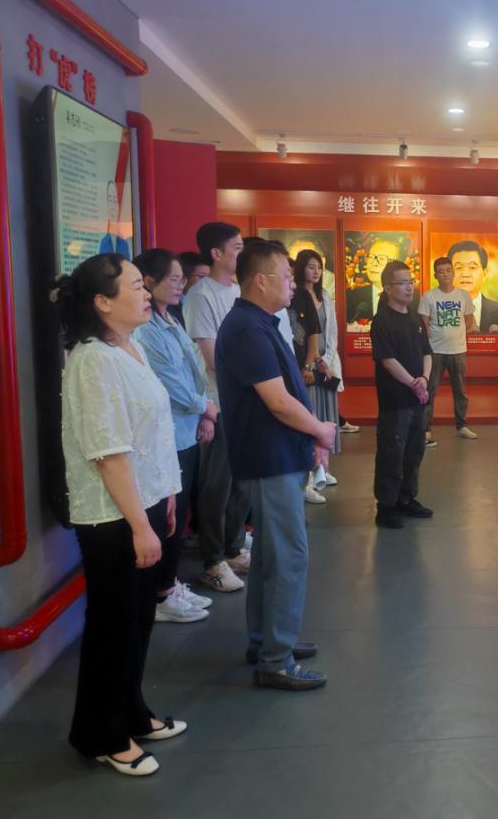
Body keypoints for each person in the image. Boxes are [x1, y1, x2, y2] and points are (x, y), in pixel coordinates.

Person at [54, 253, 185, 777]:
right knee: (113, 626)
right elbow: (108, 453)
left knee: (137, 620)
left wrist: (166, 495)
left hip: (143, 503)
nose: (146, 293)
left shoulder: (131, 347)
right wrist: (139, 525)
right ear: (102, 302)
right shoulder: (93, 361)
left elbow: (150, 432)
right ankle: (101, 735)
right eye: (134, 286)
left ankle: (132, 713)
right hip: (113, 517)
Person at [215, 238, 337, 690]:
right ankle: (276, 659)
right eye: (286, 276)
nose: (293, 284)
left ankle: (265, 641)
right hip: (268, 459)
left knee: (270, 554)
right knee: (288, 556)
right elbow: (279, 401)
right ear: (260, 280)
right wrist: (320, 430)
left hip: (277, 455)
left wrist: (312, 436)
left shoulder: (261, 322)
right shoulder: (247, 328)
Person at [132, 249, 216, 624]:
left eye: (183, 279)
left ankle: (169, 584)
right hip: (167, 435)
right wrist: (204, 407)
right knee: (168, 516)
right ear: (150, 282)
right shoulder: (145, 330)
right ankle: (162, 593)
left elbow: (194, 369)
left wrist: (203, 410)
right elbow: (170, 383)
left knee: (178, 515)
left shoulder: (171, 317)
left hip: (186, 429)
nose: (181, 285)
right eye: (175, 279)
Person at [184, 222, 249, 593]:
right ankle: (212, 560)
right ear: (216, 253)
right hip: (219, 402)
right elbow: (212, 359)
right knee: (217, 485)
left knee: (241, 482)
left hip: (245, 401)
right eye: (236, 247)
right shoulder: (201, 296)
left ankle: (234, 547)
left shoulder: (238, 291)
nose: (242, 253)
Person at [371, 260, 434, 529]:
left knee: (414, 451)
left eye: (411, 282)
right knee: (391, 453)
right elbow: (387, 359)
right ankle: (386, 506)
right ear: (388, 288)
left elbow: (427, 352)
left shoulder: (414, 319)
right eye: (403, 283)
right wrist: (413, 383)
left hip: (417, 399)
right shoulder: (382, 321)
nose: (410, 287)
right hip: (395, 400)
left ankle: (406, 498)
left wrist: (424, 379)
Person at [293, 250, 342, 496]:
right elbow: (300, 335)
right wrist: (314, 362)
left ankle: (323, 466)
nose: (316, 272)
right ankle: (310, 474)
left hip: (326, 364)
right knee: (310, 416)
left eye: (319, 267)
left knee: (326, 415)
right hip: (307, 364)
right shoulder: (295, 296)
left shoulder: (325, 296)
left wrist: (327, 360)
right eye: (311, 267)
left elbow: (331, 333)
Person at [418, 256, 478, 446]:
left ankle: (462, 426)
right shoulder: (428, 297)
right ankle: (425, 429)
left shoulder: (463, 295)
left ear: (453, 272)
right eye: (441, 271)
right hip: (435, 351)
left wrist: (457, 334)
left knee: (460, 391)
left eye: (448, 270)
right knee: (430, 391)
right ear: (436, 275)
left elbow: (469, 319)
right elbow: (424, 324)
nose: (445, 274)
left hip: (458, 351)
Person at [346, 236, 404, 326]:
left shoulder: (411, 298)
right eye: (371, 257)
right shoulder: (352, 296)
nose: (374, 263)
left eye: (382, 259)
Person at [447, 239, 498, 333]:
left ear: (484, 274)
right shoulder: (437, 310)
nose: (465, 274)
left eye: (472, 267)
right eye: (458, 267)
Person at [171, 251, 211, 327]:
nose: (207, 282)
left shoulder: (207, 301)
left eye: (209, 277)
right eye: (202, 276)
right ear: (183, 276)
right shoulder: (170, 307)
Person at [98, 181, 132, 259]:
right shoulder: (103, 243)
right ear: (106, 205)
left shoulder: (124, 244)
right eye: (110, 200)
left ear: (118, 206)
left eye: (114, 200)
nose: (112, 205)